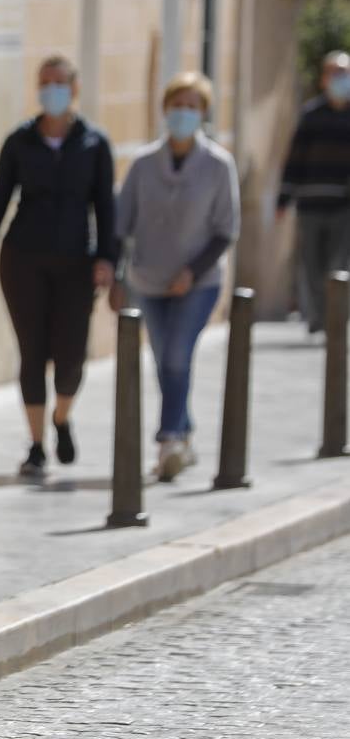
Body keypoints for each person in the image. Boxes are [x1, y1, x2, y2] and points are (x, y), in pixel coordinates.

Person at [0, 54, 117, 478]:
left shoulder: (94, 143)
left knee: (71, 355)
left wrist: (107, 258)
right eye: (43, 82)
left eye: (58, 82)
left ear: (74, 89)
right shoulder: (20, 141)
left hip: (76, 261)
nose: (50, 89)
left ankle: (62, 417)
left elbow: (106, 206)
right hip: (23, 258)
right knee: (32, 352)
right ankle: (36, 444)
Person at [113, 72, 239, 481]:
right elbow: (121, 224)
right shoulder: (144, 164)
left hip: (197, 283)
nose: (183, 113)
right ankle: (183, 430)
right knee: (163, 358)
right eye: (177, 105)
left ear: (203, 112)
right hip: (148, 280)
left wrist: (192, 271)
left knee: (177, 356)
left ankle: (168, 439)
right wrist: (118, 276)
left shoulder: (219, 165)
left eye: (192, 106)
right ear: (165, 109)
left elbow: (225, 230)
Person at [278, 50, 350, 333]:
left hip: (343, 205)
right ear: (323, 79)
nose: (339, 78)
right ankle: (319, 317)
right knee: (312, 264)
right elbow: (295, 157)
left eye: (343, 72)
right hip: (310, 202)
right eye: (333, 72)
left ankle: (335, 320)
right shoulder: (311, 115)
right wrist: (283, 198)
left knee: (338, 264)